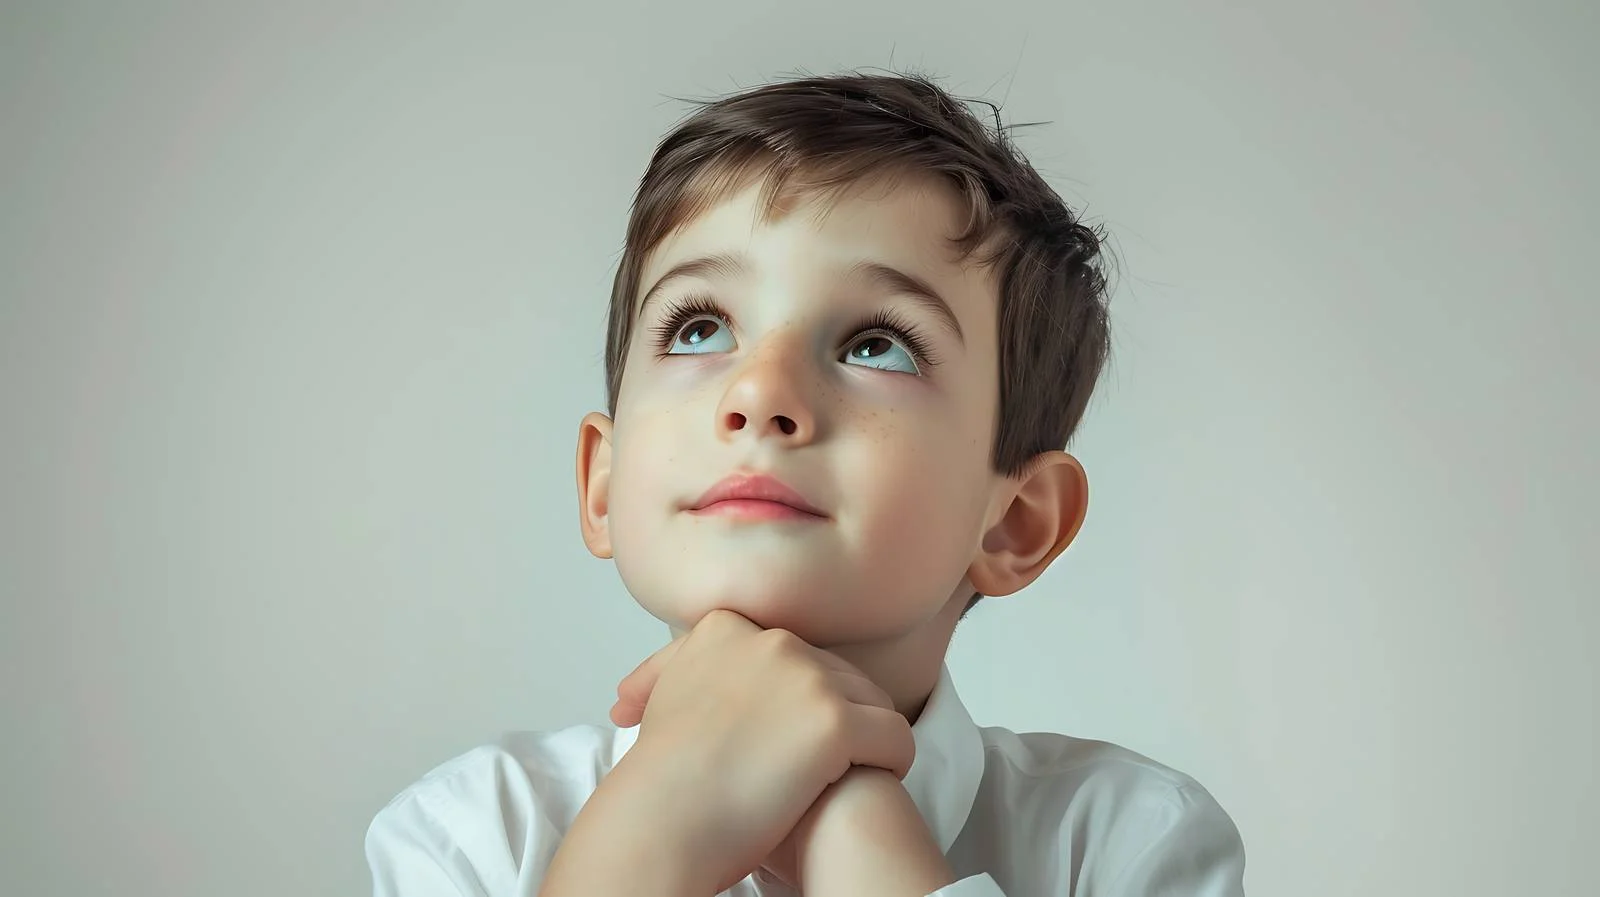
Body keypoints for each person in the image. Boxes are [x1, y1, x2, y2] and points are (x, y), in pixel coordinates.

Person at [365, 68, 1247, 896]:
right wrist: (652, 825)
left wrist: (858, 822)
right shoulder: (473, 833)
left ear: (1014, 523)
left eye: (877, 345)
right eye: (701, 327)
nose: (759, 394)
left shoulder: (1126, 842)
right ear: (603, 481)